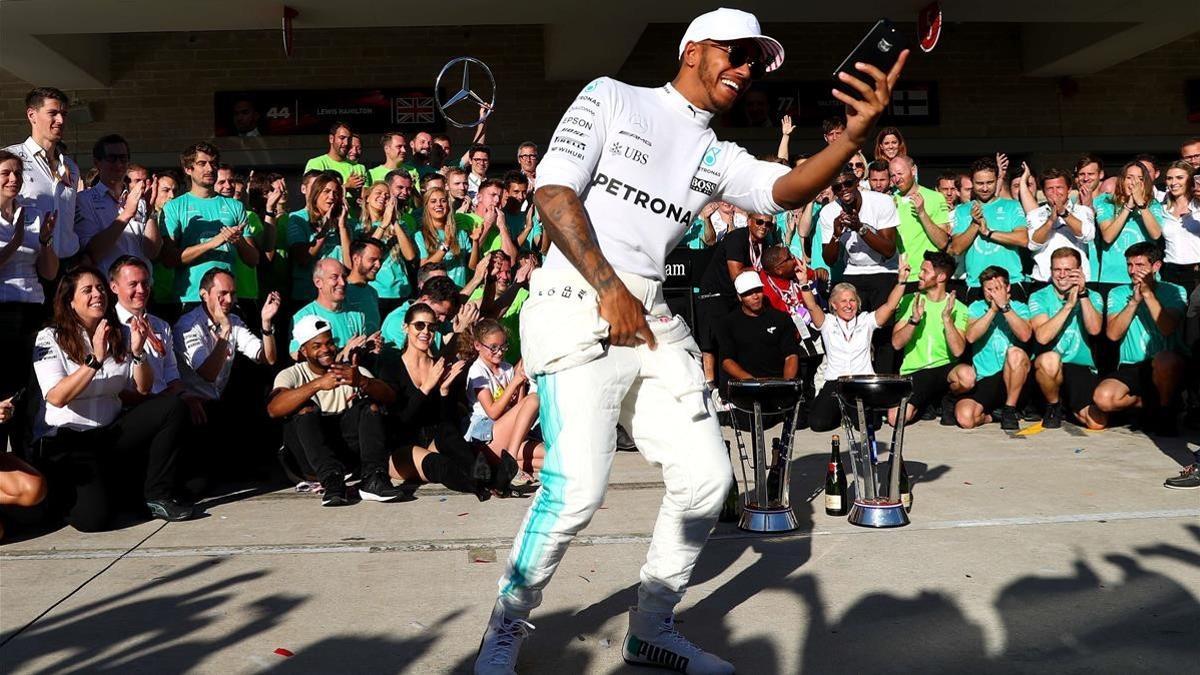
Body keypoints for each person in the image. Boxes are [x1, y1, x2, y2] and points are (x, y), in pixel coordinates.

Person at [474, 7, 907, 674]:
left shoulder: (714, 153)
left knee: (707, 481)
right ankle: (506, 625)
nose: (745, 69)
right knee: (576, 488)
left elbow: (783, 190)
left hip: (647, 316)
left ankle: (650, 628)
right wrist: (608, 285)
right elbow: (553, 192)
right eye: (735, 53)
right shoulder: (611, 97)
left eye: (754, 62)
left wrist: (852, 138)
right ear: (694, 49)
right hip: (572, 301)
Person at [32, 267, 196, 530]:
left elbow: (143, 388)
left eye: (99, 288)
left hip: (110, 432)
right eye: (87, 290)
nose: (98, 294)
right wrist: (95, 360)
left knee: (171, 406)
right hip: (69, 438)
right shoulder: (51, 337)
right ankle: (63, 495)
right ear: (70, 301)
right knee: (94, 520)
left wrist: (139, 353)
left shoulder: (120, 332)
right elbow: (56, 397)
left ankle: (157, 494)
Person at [268, 314, 403, 506]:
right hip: (308, 461)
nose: (326, 350)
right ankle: (331, 480)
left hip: (346, 456)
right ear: (304, 351)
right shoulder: (292, 374)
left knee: (370, 406)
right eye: (317, 346)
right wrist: (316, 385)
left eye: (329, 343)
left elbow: (390, 398)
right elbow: (274, 409)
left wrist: (362, 382)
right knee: (305, 409)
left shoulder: (350, 371)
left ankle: (373, 478)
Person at [799, 257, 908, 432]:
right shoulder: (827, 322)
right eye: (843, 301)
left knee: (870, 425)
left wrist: (901, 281)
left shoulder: (866, 320)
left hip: (861, 382)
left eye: (852, 301)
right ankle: (842, 412)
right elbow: (811, 306)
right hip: (836, 381)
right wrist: (804, 283)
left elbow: (889, 305)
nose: (849, 306)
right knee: (818, 424)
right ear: (833, 305)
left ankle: (849, 413)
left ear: (858, 303)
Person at [1092, 243, 1187, 435]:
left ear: (1156, 266)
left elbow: (1167, 328)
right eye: (1129, 265)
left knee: (1165, 359)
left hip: (1164, 365)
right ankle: (1148, 404)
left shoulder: (1175, 291)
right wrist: (1134, 302)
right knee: (1103, 398)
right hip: (1131, 365)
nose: (1133, 271)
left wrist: (1148, 295)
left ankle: (1166, 412)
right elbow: (1112, 335)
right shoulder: (1118, 293)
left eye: (1140, 265)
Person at [0, 149, 59, 456]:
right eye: (5, 173)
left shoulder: (32, 213)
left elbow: (49, 272)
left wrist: (46, 241)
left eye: (17, 173)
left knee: (30, 386)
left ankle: (27, 458)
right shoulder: (19, 222)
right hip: (2, 310)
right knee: (3, 388)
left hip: (33, 307)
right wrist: (17, 237)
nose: (13, 179)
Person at [819, 164, 901, 373]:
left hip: (884, 270)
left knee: (883, 334)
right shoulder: (829, 212)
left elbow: (889, 250)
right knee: (853, 331)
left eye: (848, 183)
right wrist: (836, 235)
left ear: (857, 181)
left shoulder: (881, 202)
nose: (844, 189)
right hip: (853, 271)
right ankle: (856, 382)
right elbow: (829, 259)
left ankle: (883, 384)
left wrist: (860, 228)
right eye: (837, 187)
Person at [174, 268, 279, 427]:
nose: (230, 300)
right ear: (204, 295)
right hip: (190, 404)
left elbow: (267, 358)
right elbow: (208, 373)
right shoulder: (187, 325)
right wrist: (225, 331)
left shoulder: (233, 320)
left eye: (233, 293)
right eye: (222, 293)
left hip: (218, 401)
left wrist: (266, 324)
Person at [159, 142, 259, 308]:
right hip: (190, 299)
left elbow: (253, 260)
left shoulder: (235, 206)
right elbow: (169, 259)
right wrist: (213, 242)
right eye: (202, 163)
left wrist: (238, 241)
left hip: (228, 300)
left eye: (213, 163)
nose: (210, 168)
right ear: (188, 169)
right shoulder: (174, 207)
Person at [1027, 248, 1107, 430]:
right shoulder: (1039, 296)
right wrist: (1069, 306)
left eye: (1068, 270)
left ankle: (1069, 406)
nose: (1062, 275)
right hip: (1048, 370)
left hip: (1079, 367)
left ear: (1079, 271)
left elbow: (1094, 329)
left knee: (1097, 423)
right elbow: (1042, 336)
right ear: (1051, 271)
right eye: (1057, 270)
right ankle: (1053, 406)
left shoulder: (1093, 296)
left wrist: (1082, 295)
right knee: (1050, 359)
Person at [462, 319, 544, 491]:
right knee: (535, 398)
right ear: (477, 345)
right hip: (486, 435)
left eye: (503, 346)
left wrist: (520, 381)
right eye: (493, 347)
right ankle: (511, 462)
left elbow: (519, 409)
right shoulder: (477, 371)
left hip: (508, 436)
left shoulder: (506, 368)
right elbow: (492, 412)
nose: (499, 352)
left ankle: (503, 465)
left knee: (552, 458)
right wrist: (514, 382)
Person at [889, 251, 969, 425]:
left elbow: (958, 350)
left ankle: (947, 399)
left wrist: (947, 319)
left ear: (940, 277)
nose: (920, 275)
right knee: (895, 419)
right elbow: (896, 343)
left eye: (925, 271)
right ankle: (926, 404)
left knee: (967, 376)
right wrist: (913, 320)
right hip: (916, 371)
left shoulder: (959, 307)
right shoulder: (909, 300)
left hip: (945, 368)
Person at [695, 211, 774, 384]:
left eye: (768, 224)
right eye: (760, 222)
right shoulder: (736, 238)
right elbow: (736, 274)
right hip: (714, 294)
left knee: (734, 341)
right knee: (711, 343)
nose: (764, 227)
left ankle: (735, 384)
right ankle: (710, 386)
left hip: (736, 296)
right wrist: (763, 270)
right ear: (749, 221)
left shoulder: (765, 242)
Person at [954, 266, 1033, 430]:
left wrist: (1005, 307)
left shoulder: (1020, 307)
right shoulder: (976, 307)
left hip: (1014, 377)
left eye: (997, 289)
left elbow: (1025, 335)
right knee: (965, 418)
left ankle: (1010, 409)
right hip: (985, 378)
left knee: (1015, 353)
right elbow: (970, 336)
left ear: (1008, 288)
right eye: (988, 289)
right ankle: (992, 416)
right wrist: (992, 310)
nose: (993, 294)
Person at [4, 87, 80, 258]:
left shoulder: (71, 167)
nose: (60, 120)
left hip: (68, 264)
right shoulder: (10, 159)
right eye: (53, 113)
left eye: (64, 114)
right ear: (32, 115)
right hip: (29, 264)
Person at [948, 158, 1030, 303]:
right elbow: (956, 248)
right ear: (972, 183)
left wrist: (989, 233)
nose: (985, 188)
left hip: (1011, 282)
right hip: (976, 285)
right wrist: (974, 224)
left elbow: (1022, 239)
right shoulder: (962, 210)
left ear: (996, 180)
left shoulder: (1011, 206)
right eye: (979, 183)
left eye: (990, 183)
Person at [76, 136, 160, 275]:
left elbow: (152, 252)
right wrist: (126, 214)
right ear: (97, 162)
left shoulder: (139, 199)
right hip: (109, 288)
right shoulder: (84, 200)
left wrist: (150, 213)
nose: (118, 164)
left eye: (123, 158)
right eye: (111, 158)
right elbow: (92, 253)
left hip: (142, 288)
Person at [287, 172, 360, 303]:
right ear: (316, 194)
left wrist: (342, 227)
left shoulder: (343, 222)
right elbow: (303, 258)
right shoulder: (297, 218)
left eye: (336, 193)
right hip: (308, 295)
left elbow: (350, 265)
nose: (331, 197)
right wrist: (325, 228)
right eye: (326, 191)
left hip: (337, 294)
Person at [1018, 165, 1095, 288]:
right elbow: (1032, 244)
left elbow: (1088, 235)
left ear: (1069, 189)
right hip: (1043, 280)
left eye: (1059, 188)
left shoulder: (1083, 210)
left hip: (1077, 280)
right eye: (1050, 189)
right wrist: (1050, 221)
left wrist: (1064, 213)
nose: (1055, 193)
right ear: (1043, 191)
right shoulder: (1035, 214)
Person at [715, 271, 800, 382]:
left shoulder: (781, 319)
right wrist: (755, 384)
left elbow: (791, 356)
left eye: (758, 290)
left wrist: (785, 385)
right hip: (744, 388)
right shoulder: (728, 323)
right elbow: (727, 361)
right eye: (748, 293)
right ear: (739, 297)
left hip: (778, 386)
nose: (755, 296)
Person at [890, 155, 951, 285]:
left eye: (900, 173)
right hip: (900, 276)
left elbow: (943, 242)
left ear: (913, 171)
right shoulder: (890, 201)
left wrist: (922, 213)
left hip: (927, 276)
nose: (897, 179)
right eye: (893, 175)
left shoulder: (936, 198)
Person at [380, 274, 465, 353]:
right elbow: (424, 364)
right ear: (425, 300)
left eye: (445, 315)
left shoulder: (436, 319)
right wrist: (457, 334)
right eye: (439, 313)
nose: (443, 319)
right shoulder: (398, 323)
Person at [414, 187, 476, 287]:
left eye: (443, 201)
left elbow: (472, 266)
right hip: (436, 292)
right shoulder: (420, 235)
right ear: (426, 206)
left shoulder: (460, 233)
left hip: (460, 291)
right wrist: (446, 244)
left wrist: (476, 241)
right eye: (433, 201)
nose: (438, 204)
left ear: (448, 205)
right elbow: (424, 268)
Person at [303, 121, 368, 191]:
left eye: (349, 139)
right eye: (342, 138)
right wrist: (346, 186)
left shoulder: (359, 167)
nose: (346, 143)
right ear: (331, 139)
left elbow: (365, 196)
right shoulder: (317, 163)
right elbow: (313, 191)